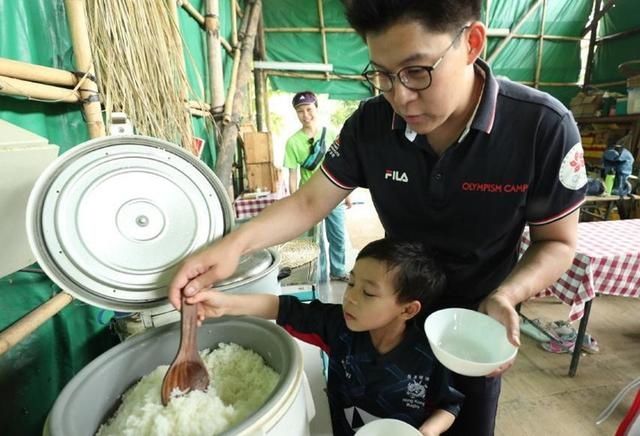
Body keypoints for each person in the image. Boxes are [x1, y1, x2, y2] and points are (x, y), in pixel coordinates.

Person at [169, 1, 587, 434]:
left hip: (473, 334)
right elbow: (310, 203)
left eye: (417, 71)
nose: (400, 96)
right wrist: (234, 246)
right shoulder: (370, 124)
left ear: (472, 43)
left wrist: (508, 295)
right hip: (387, 317)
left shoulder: (542, 127)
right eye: (382, 75)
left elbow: (556, 241)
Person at [185, 239, 464, 436]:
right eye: (351, 283)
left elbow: (449, 405)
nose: (351, 298)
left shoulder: (428, 355)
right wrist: (225, 303)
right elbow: (282, 308)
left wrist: (429, 430)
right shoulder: (338, 327)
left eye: (368, 293)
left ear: (407, 309)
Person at [284, 91, 351, 282]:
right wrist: (294, 201)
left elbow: (344, 166)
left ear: (316, 108)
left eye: (309, 109)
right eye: (300, 111)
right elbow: (292, 174)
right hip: (309, 198)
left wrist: (347, 193)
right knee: (314, 240)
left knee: (337, 236)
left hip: (334, 195)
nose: (305, 115)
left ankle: (338, 271)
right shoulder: (292, 142)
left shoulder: (331, 135)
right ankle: (319, 275)